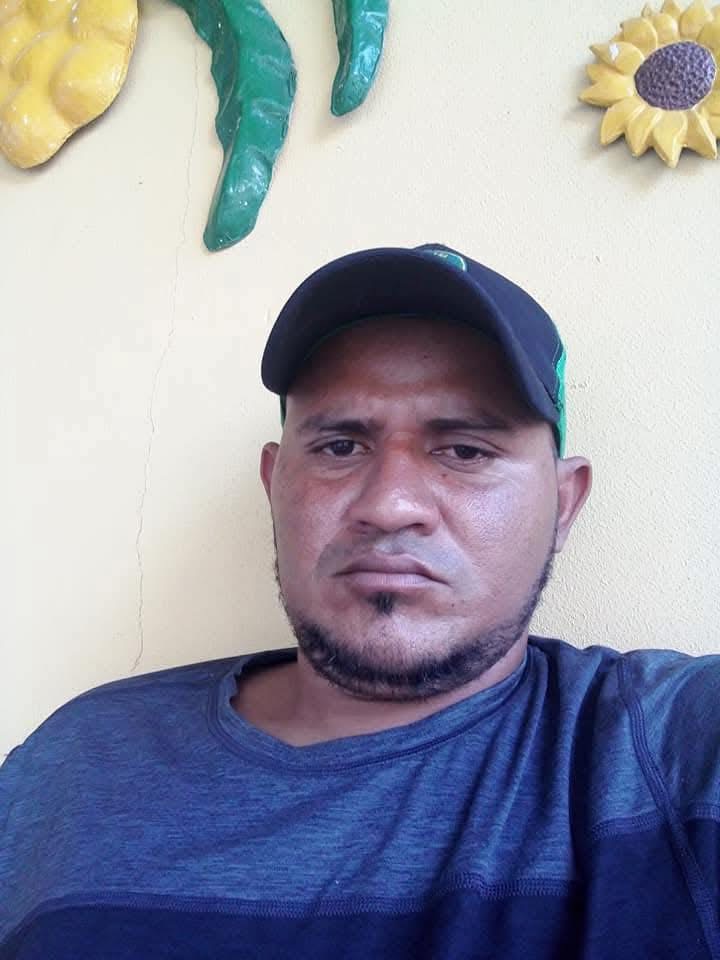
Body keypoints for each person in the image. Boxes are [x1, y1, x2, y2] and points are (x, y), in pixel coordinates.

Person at [1, 243, 718, 959]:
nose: (390, 504)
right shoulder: (72, 765)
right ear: (274, 484)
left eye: (466, 450)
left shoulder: (662, 752)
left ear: (564, 503)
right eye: (340, 446)